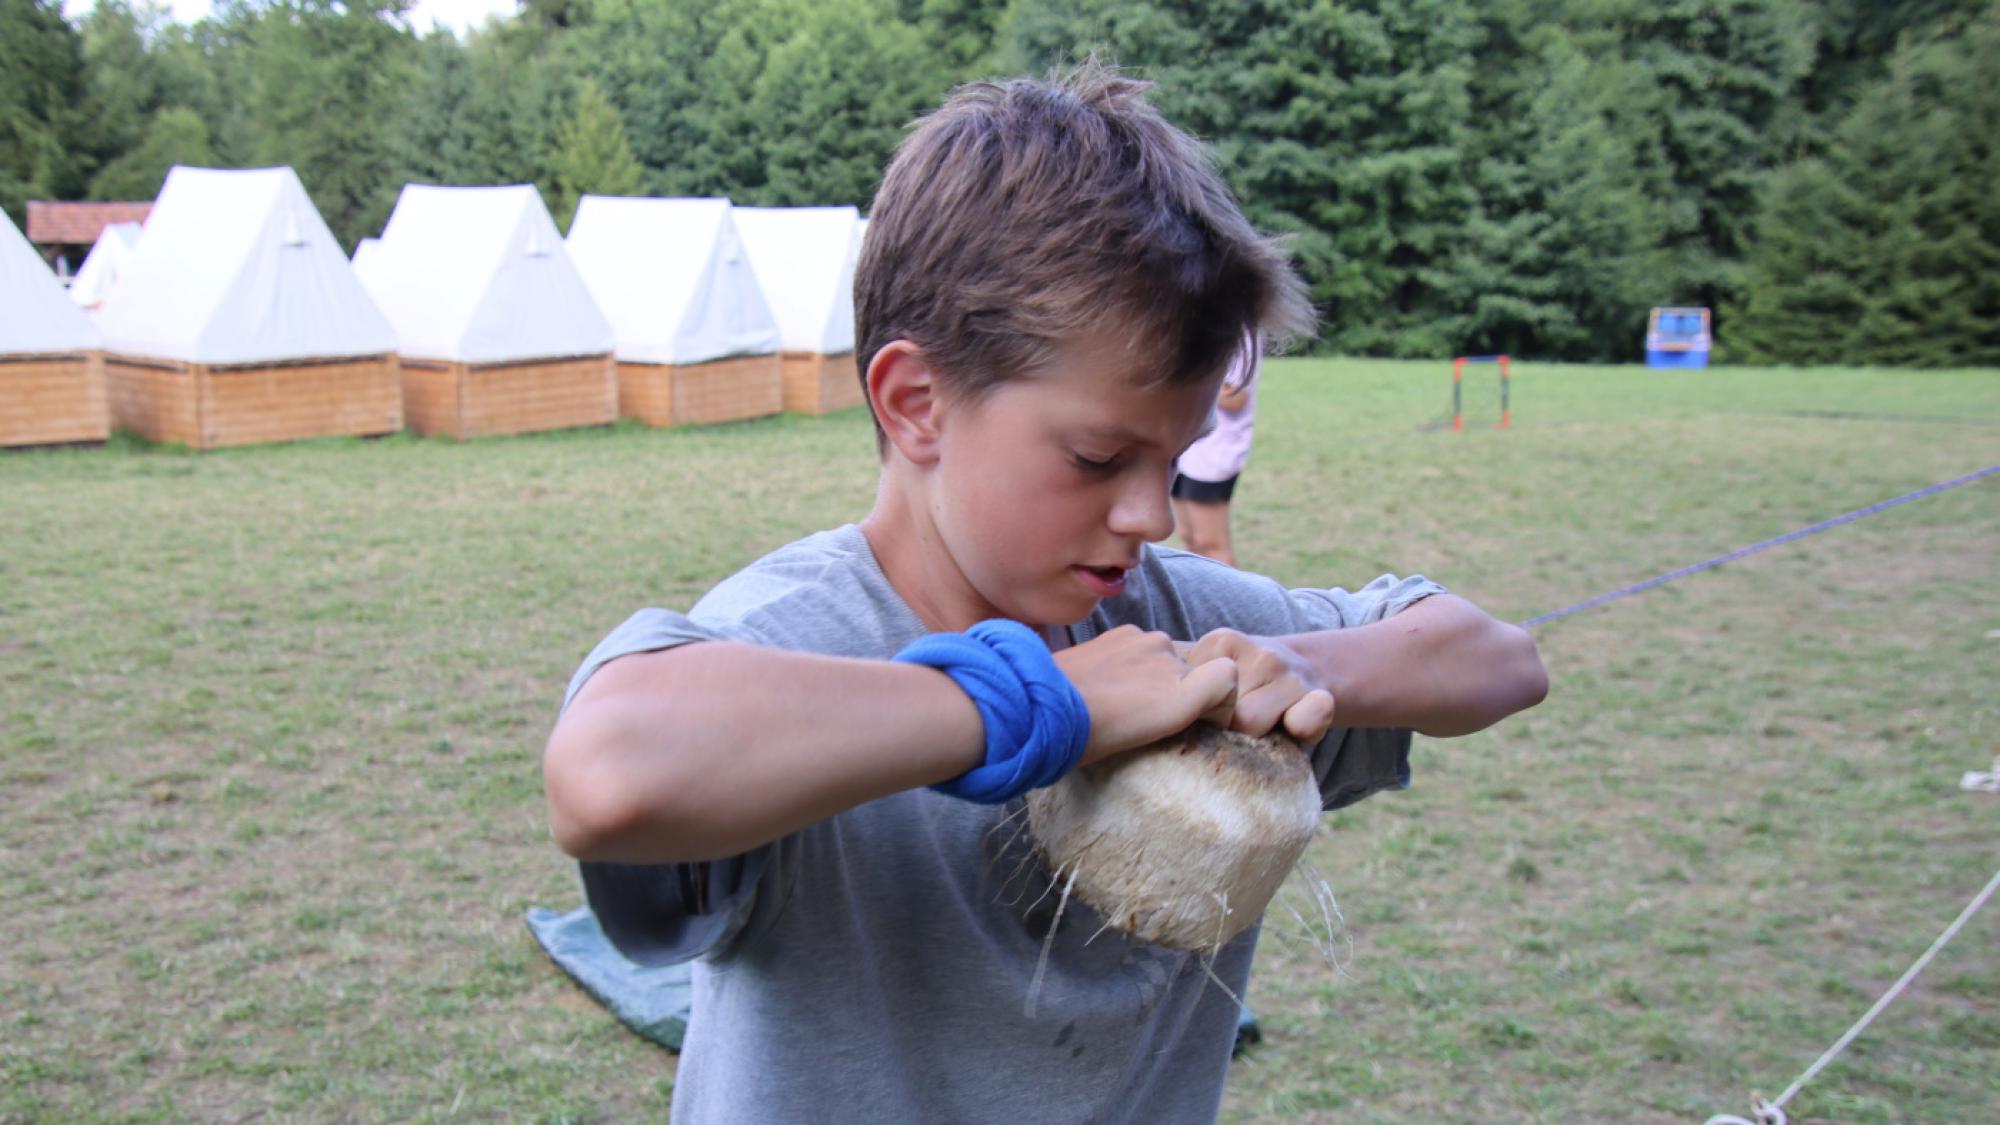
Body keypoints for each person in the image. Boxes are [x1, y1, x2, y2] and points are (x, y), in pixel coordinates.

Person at [541, 62, 1547, 1123]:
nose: (1151, 515)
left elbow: (1499, 659)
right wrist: (1043, 704)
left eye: (1173, 460)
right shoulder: (789, 647)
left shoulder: (1179, 633)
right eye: (1096, 457)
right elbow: (609, 769)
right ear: (916, 403)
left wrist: (1301, 661)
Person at [1172, 330, 1261, 566]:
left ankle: (1233, 592)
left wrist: (1182, 378)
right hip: (1183, 449)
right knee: (1190, 538)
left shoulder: (1240, 330)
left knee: (1212, 545)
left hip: (1214, 453)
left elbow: (1235, 398)